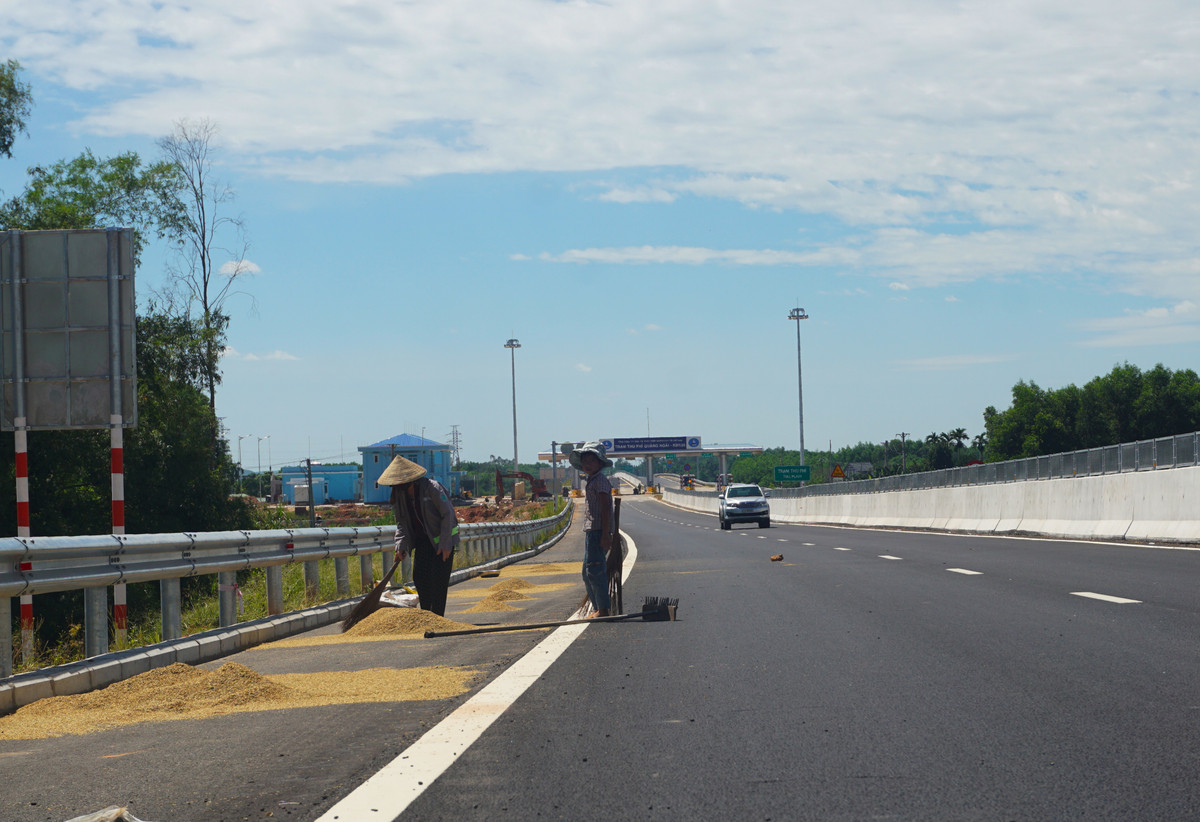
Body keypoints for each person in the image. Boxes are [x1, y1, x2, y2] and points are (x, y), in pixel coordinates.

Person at [377, 454, 460, 616]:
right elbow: (402, 523)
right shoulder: (401, 497)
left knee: (438, 580)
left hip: (442, 541)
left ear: (409, 481)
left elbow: (448, 514)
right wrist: (400, 545)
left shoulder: (432, 488)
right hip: (423, 542)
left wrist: (445, 544)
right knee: (420, 578)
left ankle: (437, 617)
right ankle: (426, 615)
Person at [569, 441, 614, 618]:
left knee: (595, 570)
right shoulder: (592, 480)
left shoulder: (600, 481)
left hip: (597, 532)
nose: (587, 464)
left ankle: (602, 609)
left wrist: (605, 534)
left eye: (592, 460)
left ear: (600, 463)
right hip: (591, 531)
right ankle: (597, 608)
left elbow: (605, 508)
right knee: (587, 572)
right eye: (585, 460)